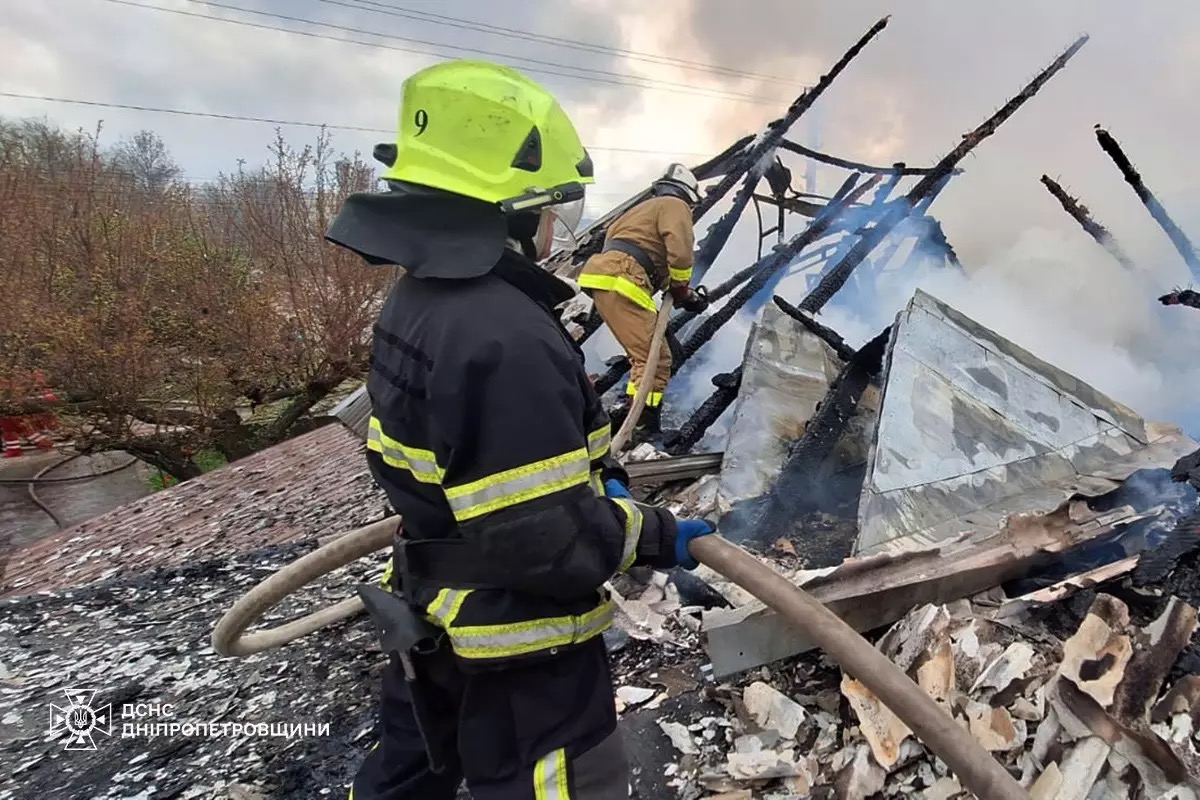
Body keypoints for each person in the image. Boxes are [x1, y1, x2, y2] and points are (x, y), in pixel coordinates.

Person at [325, 59, 717, 800]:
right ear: (508, 209)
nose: (553, 223)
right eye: (550, 204)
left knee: (403, 780)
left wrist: (595, 480)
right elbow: (546, 543)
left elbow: (474, 471)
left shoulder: (420, 299)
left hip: (433, 611)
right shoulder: (504, 336)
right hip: (518, 645)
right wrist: (655, 532)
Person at [576, 164, 711, 434]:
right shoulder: (674, 204)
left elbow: (648, 257)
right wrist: (682, 289)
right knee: (655, 359)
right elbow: (680, 252)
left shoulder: (637, 213)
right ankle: (640, 424)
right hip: (623, 279)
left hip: (605, 277)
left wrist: (685, 296)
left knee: (649, 353)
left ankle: (630, 412)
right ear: (688, 194)